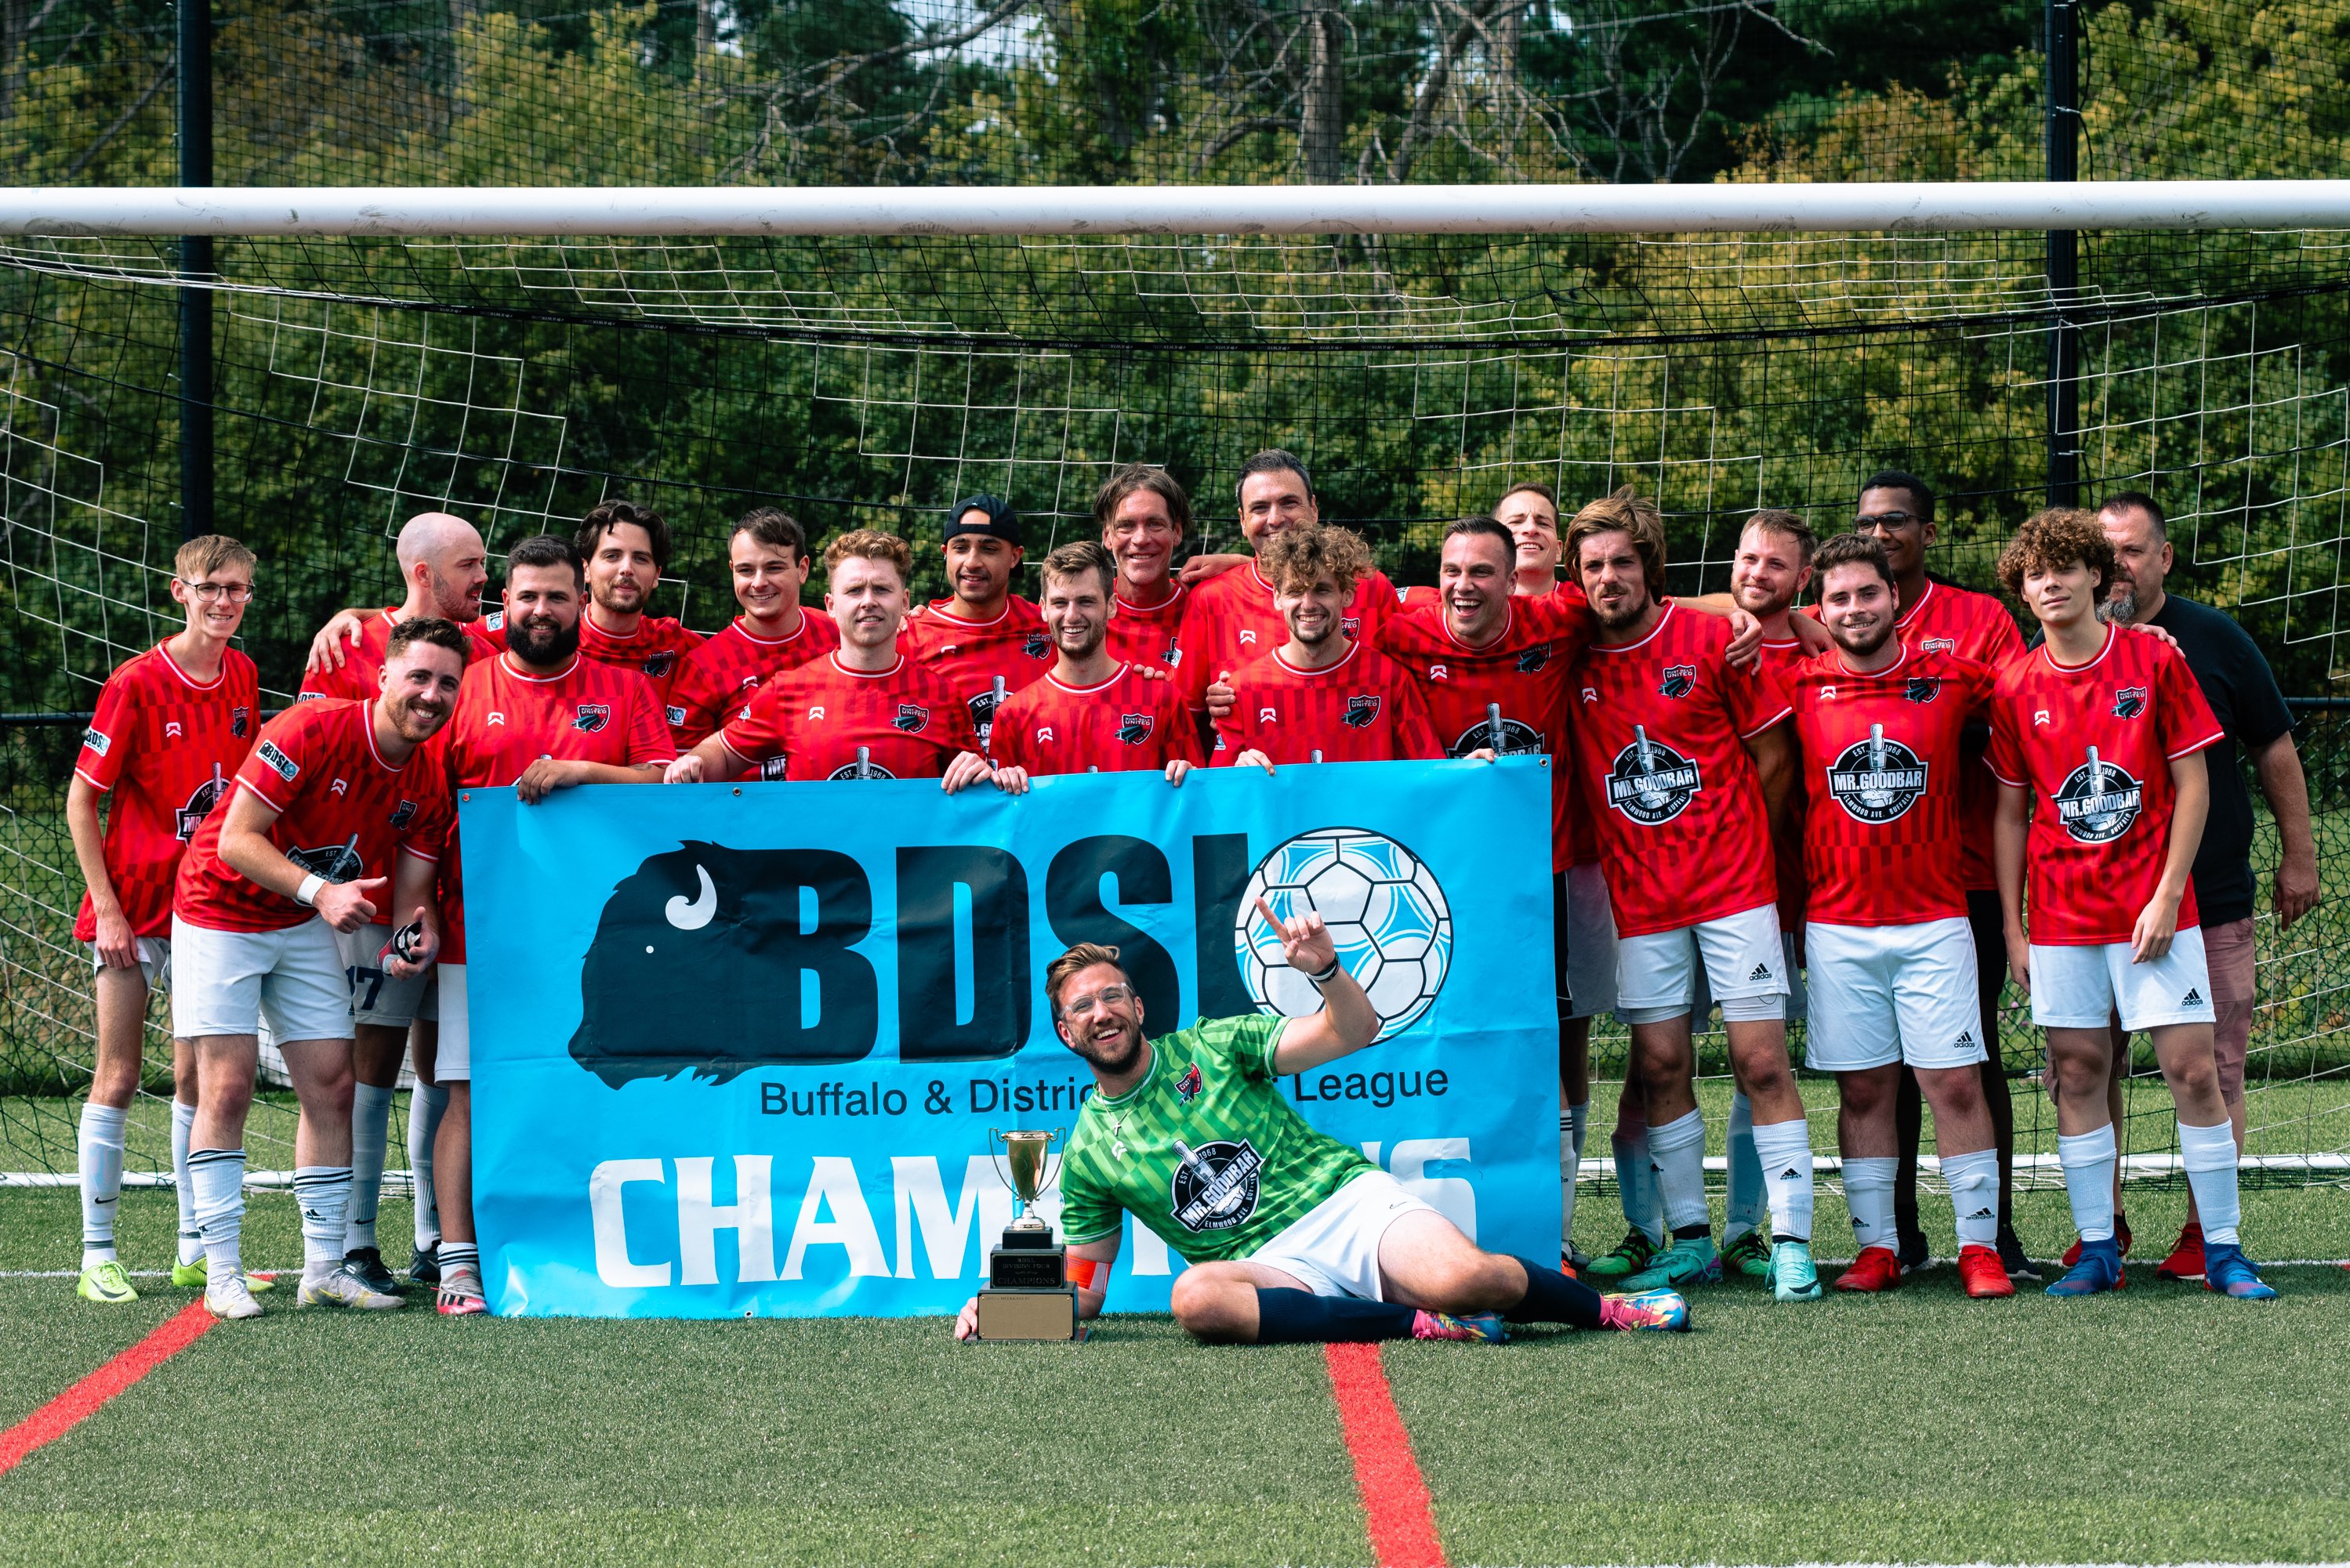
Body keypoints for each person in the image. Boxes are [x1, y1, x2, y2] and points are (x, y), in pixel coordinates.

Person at [953, 938, 1692, 1344]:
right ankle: (1420, 1325)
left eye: (1113, 994)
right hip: (1266, 1269)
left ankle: (1610, 1312)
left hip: (1343, 1205)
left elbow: (1352, 1030)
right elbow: (1086, 1292)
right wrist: (1010, 1307)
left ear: (1139, 1006)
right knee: (1196, 1297)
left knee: (1473, 1279)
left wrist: (1328, 971)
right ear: (1066, 1032)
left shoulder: (1214, 1045)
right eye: (1083, 1006)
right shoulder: (1085, 1152)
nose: (1102, 1011)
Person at [1987, 508, 2275, 1300]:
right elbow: (2010, 811)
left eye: (2065, 570)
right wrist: (2014, 926)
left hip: (2154, 914)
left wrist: (2168, 892)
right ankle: (2095, 1251)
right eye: (2034, 575)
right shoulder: (2013, 684)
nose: (2050, 584)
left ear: (2093, 579)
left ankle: (2222, 1248)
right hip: (2060, 919)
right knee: (2076, 1072)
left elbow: (2193, 781)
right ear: (2023, 589)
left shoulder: (2152, 662)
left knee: (2190, 1070)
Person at [1561, 487, 1821, 1302]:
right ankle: (1691, 1240)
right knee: (1661, 1062)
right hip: (1641, 904)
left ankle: (1789, 1240)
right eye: (1593, 566)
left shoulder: (1712, 640)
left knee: (1759, 1061)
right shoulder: (1569, 653)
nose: (1608, 578)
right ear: (1577, 577)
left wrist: (1739, 842)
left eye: (1622, 563)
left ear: (1649, 569)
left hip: (1735, 890)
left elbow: (1775, 758)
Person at [171, 618, 466, 1319]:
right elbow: (237, 839)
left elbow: (413, 894)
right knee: (229, 1082)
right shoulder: (311, 727)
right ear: (384, 676)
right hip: (218, 907)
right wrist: (321, 892)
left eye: (447, 682)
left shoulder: (425, 777)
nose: (431, 694)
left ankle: (325, 1267)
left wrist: (411, 938)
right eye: (418, 677)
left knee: (332, 1083)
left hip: (299, 915)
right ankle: (221, 1272)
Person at [2073, 492, 2320, 1280]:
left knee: (2211, 1068)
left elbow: (2272, 749)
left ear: (2163, 559)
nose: (2120, 569)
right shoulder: (2056, 651)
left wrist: (2299, 856)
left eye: (2133, 552)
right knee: (2087, 1064)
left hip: (2206, 897)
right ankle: (2100, 1230)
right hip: (2093, 904)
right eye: (2104, 555)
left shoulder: (2213, 639)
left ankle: (2202, 1235)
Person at [429, 534, 676, 1316]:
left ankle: (593, 1247)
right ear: (503, 604)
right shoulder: (462, 688)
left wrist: (582, 772)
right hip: (480, 935)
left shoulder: (623, 688)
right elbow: (422, 811)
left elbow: (665, 786)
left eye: (556, 597)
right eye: (526, 597)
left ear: (581, 603)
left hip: (603, 943)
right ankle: (457, 1263)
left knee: (602, 1086)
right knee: (472, 1094)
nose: (540, 610)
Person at [1780, 534, 2015, 1298]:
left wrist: (2130, 635)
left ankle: (1978, 1248)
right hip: (1838, 927)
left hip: (1934, 921)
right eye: (1837, 599)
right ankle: (1877, 1248)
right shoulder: (1798, 683)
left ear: (1894, 600)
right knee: (1862, 1092)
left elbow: (2045, 681)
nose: (1854, 610)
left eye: (1867, 595)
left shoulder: (1952, 678)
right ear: (1821, 609)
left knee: (1953, 1084)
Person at [1371, 515, 1598, 1262]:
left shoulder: (1559, 621)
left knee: (1550, 1048)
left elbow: (1666, 604)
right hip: (1442, 882)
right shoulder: (1401, 631)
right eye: (1452, 571)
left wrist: (1800, 618)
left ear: (1514, 578)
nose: (1463, 586)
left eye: (1481, 572)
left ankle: (1554, 1234)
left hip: (1544, 878)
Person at [64, 535, 262, 1303]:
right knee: (117, 1077)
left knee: (195, 1078)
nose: (224, 601)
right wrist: (107, 908)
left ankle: (191, 1248)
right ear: (179, 592)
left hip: (207, 910)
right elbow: (83, 799)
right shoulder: (136, 683)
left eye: (237, 589)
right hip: (133, 915)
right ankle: (97, 1255)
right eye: (211, 587)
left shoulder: (243, 675)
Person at [668, 530, 1006, 791]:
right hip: (816, 878)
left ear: (905, 602)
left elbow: (975, 782)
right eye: (855, 590)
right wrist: (694, 761)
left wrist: (981, 774)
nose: (868, 601)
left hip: (907, 878)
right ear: (831, 605)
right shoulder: (789, 689)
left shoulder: (941, 695)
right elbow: (726, 753)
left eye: (882, 590)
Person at [1716, 509, 1825, 1280]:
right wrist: (1721, 611)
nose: (1757, 573)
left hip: (1795, 876)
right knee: (1658, 1056)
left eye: (1775, 565)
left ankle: (1743, 1228)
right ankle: (1655, 1232)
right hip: (1689, 871)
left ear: (1802, 580)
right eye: (1747, 559)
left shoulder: (1828, 638)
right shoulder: (1703, 631)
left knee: (1762, 1055)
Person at [1174, 451, 1398, 719]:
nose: (1275, 519)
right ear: (1243, 521)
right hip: (1254, 760)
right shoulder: (1211, 599)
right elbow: (1185, 712)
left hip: (1354, 756)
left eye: (1289, 503)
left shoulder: (1371, 587)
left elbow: (1401, 683)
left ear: (1313, 509)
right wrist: (1221, 713)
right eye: (1259, 508)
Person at [1212, 524, 1439, 769]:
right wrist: (1235, 773)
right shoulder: (1243, 689)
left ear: (1347, 595)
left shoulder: (1391, 680)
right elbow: (1218, 795)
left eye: (1322, 590)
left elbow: (1433, 775)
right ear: (1278, 597)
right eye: (1295, 591)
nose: (1308, 604)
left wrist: (1472, 771)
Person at [990, 541, 1202, 782]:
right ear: (1043, 609)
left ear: (1111, 607)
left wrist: (1191, 780)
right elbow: (1003, 815)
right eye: (1060, 603)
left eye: (1086, 601)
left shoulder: (1162, 700)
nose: (1072, 615)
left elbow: (1197, 805)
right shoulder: (1014, 715)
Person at [664, 508, 840, 751]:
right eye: (745, 570)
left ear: (803, 569)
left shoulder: (840, 633)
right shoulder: (704, 666)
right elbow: (685, 774)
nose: (758, 582)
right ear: (732, 570)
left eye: (774, 568)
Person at [899, 494, 1053, 751]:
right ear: (946, 554)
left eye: (989, 549)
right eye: (960, 548)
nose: (972, 562)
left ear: (1015, 557)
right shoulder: (910, 635)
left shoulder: (1048, 628)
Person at [299, 511, 503, 697]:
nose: (483, 576)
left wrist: (352, 612)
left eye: (481, 563)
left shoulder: (492, 638)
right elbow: (311, 732)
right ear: (424, 574)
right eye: (468, 565)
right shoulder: (341, 652)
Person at [566, 498, 704, 701]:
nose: (627, 569)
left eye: (640, 558)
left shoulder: (677, 643)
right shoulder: (552, 633)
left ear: (657, 575)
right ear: (585, 569)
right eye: (612, 556)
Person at [1096, 465, 1195, 672]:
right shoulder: (1082, 613)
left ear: (1177, 531)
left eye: (1154, 524)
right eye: (1126, 526)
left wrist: (1240, 562)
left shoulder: (1201, 610)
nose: (1140, 539)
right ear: (1107, 536)